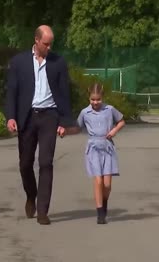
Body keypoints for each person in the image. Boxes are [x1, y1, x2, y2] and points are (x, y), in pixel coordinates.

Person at [4, 25, 73, 225]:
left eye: (51, 43)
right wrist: (11, 116)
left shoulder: (58, 62)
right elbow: (12, 91)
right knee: (25, 164)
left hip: (50, 116)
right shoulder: (19, 62)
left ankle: (43, 211)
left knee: (45, 162)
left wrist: (64, 122)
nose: (49, 47)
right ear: (36, 40)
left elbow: (64, 92)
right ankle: (30, 195)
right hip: (27, 116)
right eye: (46, 43)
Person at [66, 83, 125, 224]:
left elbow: (121, 121)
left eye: (98, 99)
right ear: (89, 98)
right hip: (93, 149)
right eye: (92, 99)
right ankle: (100, 213)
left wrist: (114, 130)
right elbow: (77, 128)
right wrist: (65, 131)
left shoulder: (109, 110)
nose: (95, 102)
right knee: (98, 181)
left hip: (107, 148)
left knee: (107, 185)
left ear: (102, 97)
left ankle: (104, 203)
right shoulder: (85, 113)